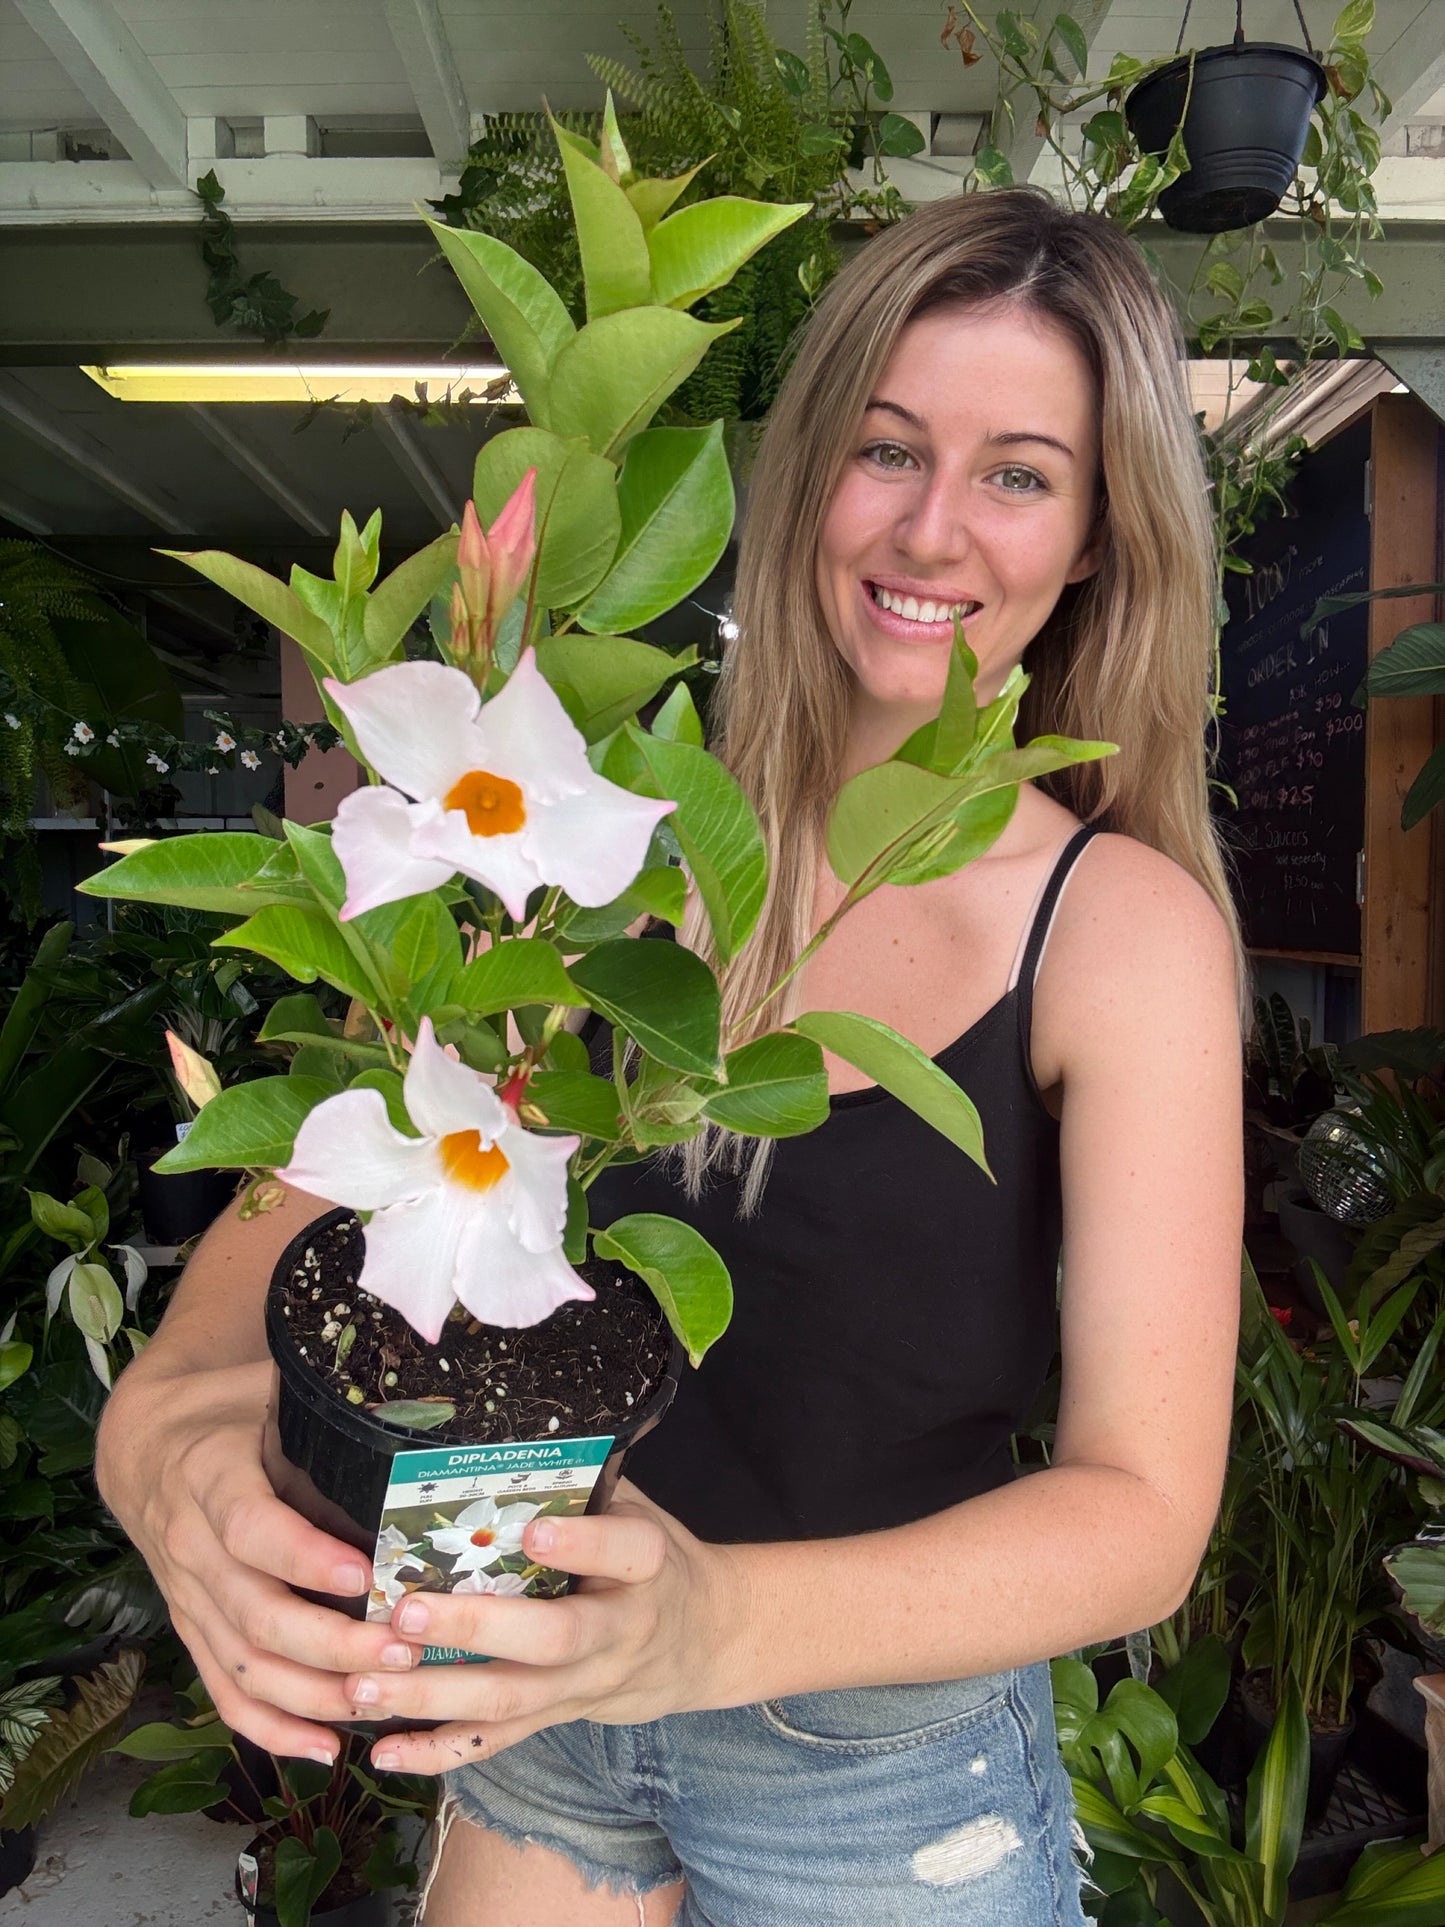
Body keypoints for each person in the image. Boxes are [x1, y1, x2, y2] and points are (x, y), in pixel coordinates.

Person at [96, 186, 1245, 1926]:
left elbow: (1141, 1511)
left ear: (1093, 536)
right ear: (802, 480)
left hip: (875, 1771)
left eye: (1018, 472)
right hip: (538, 1712)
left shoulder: (1116, 931)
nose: (934, 529)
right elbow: (283, 1230)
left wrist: (704, 1628)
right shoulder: (570, 840)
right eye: (885, 449)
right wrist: (170, 1450)